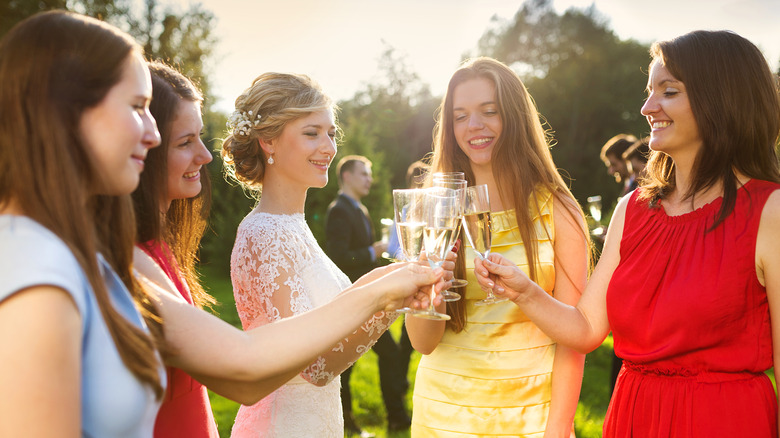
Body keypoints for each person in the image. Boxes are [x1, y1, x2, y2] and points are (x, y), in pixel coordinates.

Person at [0, 11, 446, 438]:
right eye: (137, 107)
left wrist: (390, 284)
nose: (152, 135)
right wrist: (385, 293)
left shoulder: (104, 257)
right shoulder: (36, 270)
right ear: (66, 112)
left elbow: (246, 373)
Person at [475, 30, 780, 437]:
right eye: (649, 91)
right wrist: (523, 290)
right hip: (632, 417)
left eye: (668, 91)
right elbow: (585, 329)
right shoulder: (632, 210)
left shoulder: (769, 211)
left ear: (722, 99)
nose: (647, 107)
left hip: (722, 421)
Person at [220, 72, 453, 437]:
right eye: (312, 133)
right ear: (269, 141)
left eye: (331, 133)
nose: (328, 147)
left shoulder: (293, 225)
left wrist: (401, 277)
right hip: (284, 425)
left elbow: (334, 314)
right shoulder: (263, 233)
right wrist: (389, 301)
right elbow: (314, 368)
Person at [406, 57, 589, 437]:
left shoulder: (559, 209)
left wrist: (559, 426)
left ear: (515, 116)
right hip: (444, 413)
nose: (474, 126)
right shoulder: (439, 207)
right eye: (460, 116)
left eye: (489, 111)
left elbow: (576, 340)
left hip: (532, 415)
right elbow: (422, 343)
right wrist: (431, 297)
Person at [131, 61, 219, 437]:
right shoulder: (131, 255)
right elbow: (238, 369)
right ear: (146, 148)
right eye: (185, 142)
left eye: (200, 137)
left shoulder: (163, 245)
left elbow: (196, 396)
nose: (205, 155)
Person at [325, 155, 410, 435]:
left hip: (367, 296)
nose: (369, 179)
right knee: (346, 365)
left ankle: (393, 416)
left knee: (385, 355)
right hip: (352, 298)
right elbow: (337, 257)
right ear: (347, 176)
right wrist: (372, 251)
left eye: (369, 174)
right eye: (364, 174)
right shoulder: (339, 210)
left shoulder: (358, 208)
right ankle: (353, 420)